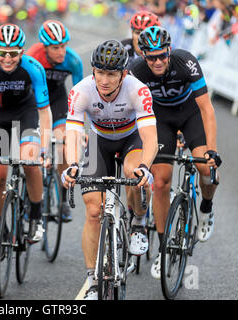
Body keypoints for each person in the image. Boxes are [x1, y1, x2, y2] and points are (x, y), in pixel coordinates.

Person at [61, 40, 158, 300]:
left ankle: (138, 222)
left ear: (123, 74)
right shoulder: (81, 91)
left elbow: (149, 138)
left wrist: (145, 168)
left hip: (131, 140)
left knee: (132, 172)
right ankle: (93, 279)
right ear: (93, 70)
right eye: (99, 72)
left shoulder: (138, 90)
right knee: (93, 210)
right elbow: (72, 134)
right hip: (99, 141)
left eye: (111, 74)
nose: (104, 80)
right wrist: (71, 164)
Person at [130, 26, 222, 280]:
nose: (158, 61)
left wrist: (211, 150)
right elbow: (132, 111)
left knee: (206, 168)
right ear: (143, 55)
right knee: (160, 182)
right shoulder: (135, 71)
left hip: (190, 113)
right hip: (161, 119)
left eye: (162, 55)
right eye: (152, 57)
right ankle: (163, 249)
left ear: (169, 51)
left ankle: (206, 208)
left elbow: (207, 109)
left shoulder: (186, 62)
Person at [0, 24, 52, 260]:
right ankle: (2, 232)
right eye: (3, 53)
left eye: (14, 53)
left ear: (22, 51)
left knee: (30, 162)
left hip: (26, 116)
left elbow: (45, 112)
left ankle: (36, 216)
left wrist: (45, 149)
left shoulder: (33, 68)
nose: (8, 58)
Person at [26, 19, 83, 222]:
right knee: (30, 148)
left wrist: (79, 127)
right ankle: (29, 192)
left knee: (62, 145)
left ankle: (63, 199)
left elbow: (80, 95)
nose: (61, 51)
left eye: (64, 46)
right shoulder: (33, 56)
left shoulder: (73, 60)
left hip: (57, 99)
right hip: (34, 100)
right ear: (44, 46)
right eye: (55, 47)